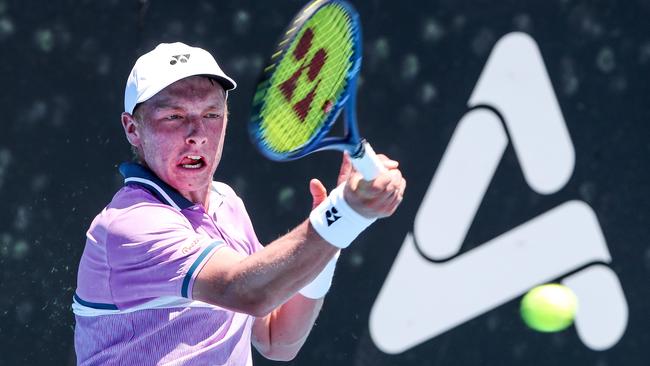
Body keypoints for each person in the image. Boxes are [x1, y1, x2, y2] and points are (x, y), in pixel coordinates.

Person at [72, 42, 406, 365]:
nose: (198, 133)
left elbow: (278, 339)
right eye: (174, 116)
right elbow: (245, 291)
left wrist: (340, 229)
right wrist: (342, 214)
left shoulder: (226, 203)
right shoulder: (130, 224)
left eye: (212, 113)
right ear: (133, 128)